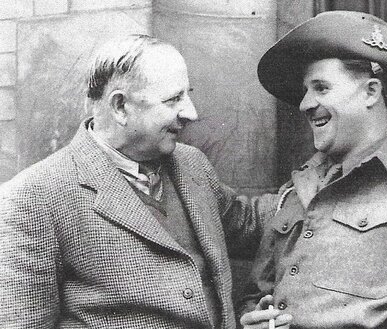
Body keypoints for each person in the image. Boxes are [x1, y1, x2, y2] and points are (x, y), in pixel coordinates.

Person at [0, 34, 277, 328]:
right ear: (120, 106)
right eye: (174, 99)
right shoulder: (31, 199)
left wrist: (322, 178)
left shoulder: (191, 163)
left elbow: (250, 222)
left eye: (187, 94)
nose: (191, 113)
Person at [239, 11, 387, 329]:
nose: (305, 104)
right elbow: (259, 293)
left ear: (371, 92)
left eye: (321, 88)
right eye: (305, 91)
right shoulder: (297, 190)